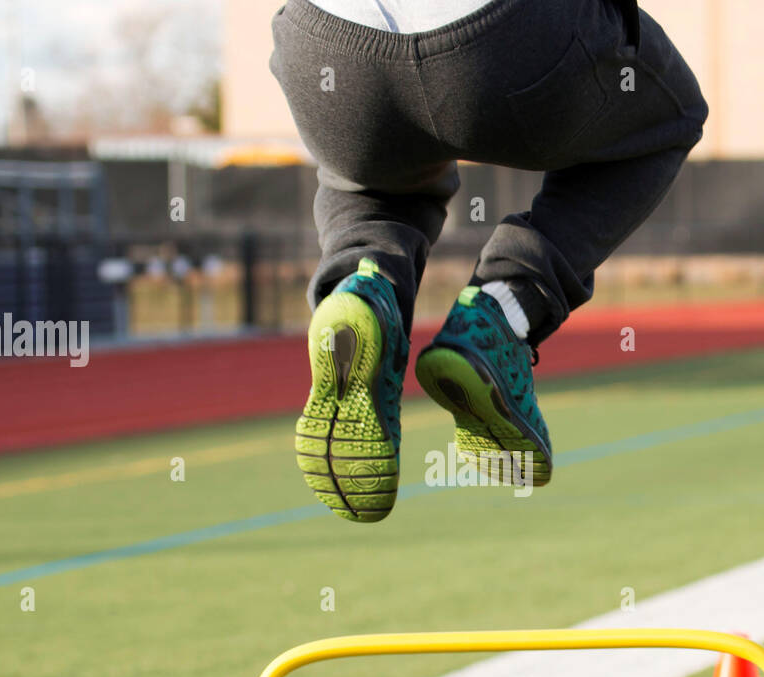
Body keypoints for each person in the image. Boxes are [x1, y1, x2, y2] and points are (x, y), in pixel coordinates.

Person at [275, 0, 707, 521]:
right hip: (501, 40)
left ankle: (361, 288)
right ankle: (506, 306)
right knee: (672, 114)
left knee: (374, 183)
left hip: (327, 48)